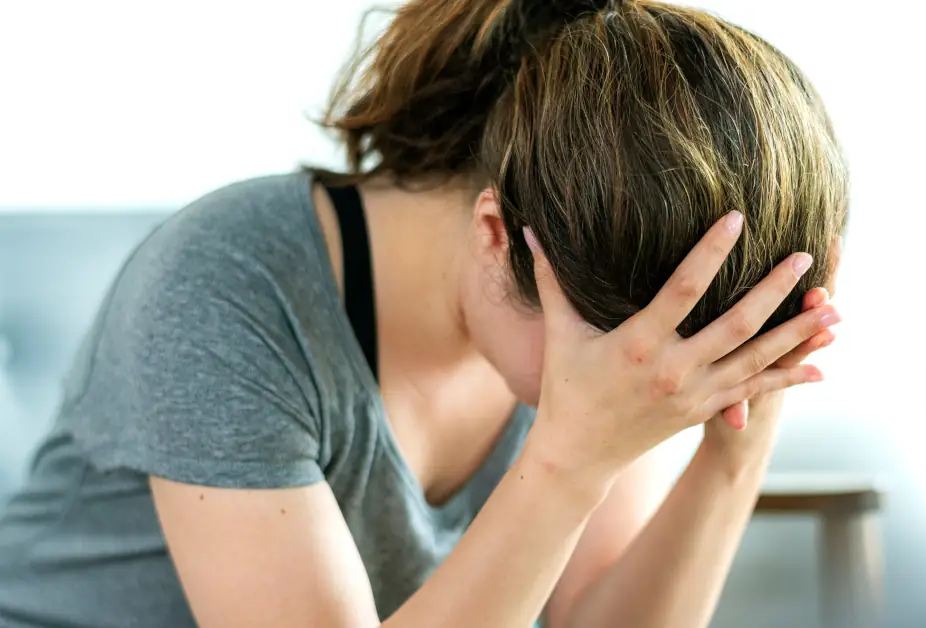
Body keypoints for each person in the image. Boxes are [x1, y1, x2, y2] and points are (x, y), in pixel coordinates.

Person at [0, 0, 849, 626]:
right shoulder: (225, 285)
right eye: (643, 367)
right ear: (495, 235)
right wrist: (569, 460)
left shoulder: (599, 290)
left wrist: (735, 451)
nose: (655, 385)